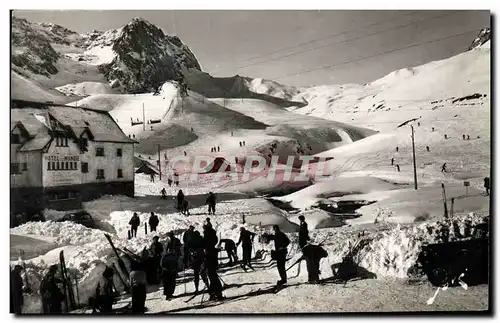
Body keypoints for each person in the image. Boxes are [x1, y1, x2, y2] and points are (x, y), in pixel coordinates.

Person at [203, 224, 224, 300]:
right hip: (212, 259)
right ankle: (215, 294)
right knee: (213, 277)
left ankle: (216, 294)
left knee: (213, 278)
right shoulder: (212, 235)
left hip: (210, 260)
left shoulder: (207, 236)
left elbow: (206, 245)